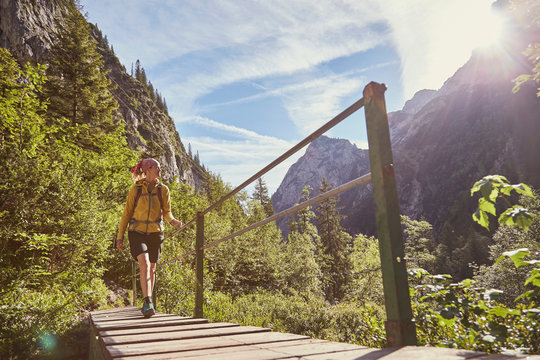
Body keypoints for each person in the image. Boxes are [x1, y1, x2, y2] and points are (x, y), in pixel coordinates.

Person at [116, 158, 182, 318]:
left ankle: (148, 301)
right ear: (149, 169)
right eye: (158, 167)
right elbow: (126, 213)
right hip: (136, 232)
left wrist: (172, 220)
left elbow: (166, 211)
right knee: (144, 264)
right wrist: (120, 237)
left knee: (152, 268)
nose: (160, 170)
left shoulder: (163, 189)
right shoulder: (136, 189)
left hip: (156, 232)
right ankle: (148, 301)